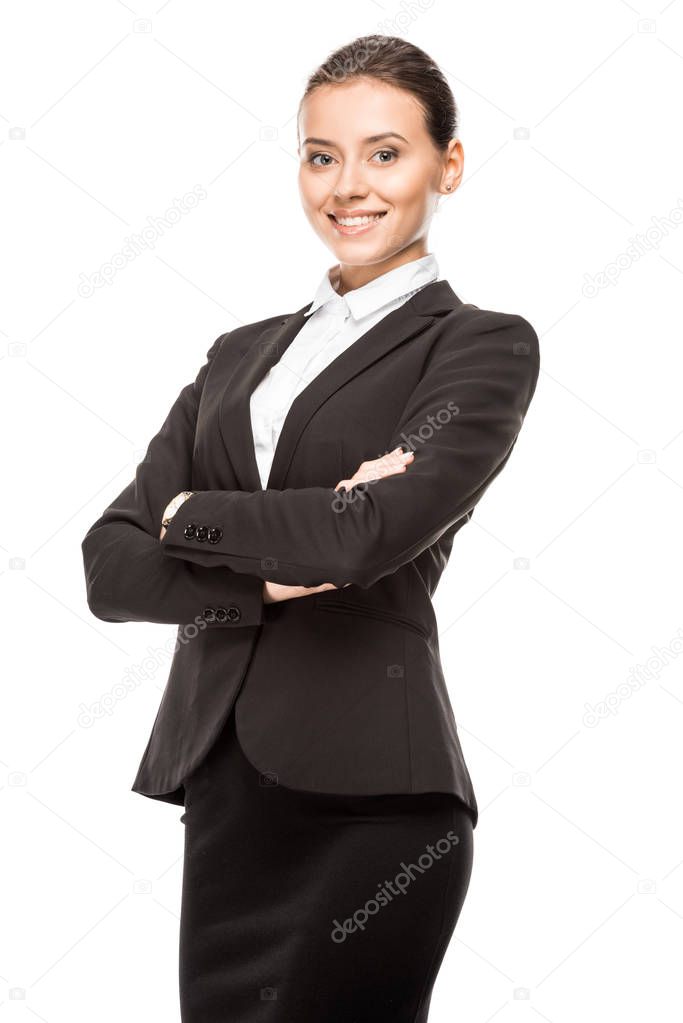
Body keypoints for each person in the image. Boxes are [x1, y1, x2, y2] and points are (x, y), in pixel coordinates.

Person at [81, 33, 540, 1023]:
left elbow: (366, 537)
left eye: (384, 153)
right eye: (319, 154)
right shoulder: (236, 356)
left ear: (445, 164)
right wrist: (278, 556)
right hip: (224, 801)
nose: (346, 186)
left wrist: (188, 517)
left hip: (375, 809)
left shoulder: (478, 347)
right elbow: (108, 566)